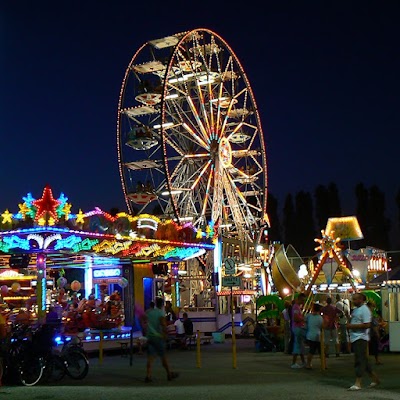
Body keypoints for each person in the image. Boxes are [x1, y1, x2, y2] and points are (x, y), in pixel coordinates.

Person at [346, 293, 380, 391]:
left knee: (359, 360)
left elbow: (367, 324)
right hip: (355, 337)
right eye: (353, 299)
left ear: (361, 300)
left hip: (360, 338)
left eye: (356, 299)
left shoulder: (365, 310)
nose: (354, 301)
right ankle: (375, 379)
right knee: (364, 360)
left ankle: (358, 382)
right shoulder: (356, 310)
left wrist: (351, 326)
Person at [142, 297, 178, 383]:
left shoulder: (148, 312)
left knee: (150, 358)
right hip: (158, 337)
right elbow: (163, 325)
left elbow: (144, 322)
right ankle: (169, 374)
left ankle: (148, 375)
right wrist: (165, 334)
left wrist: (145, 333)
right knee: (163, 356)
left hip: (150, 336)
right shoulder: (160, 313)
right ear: (162, 304)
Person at [305, 302, 323, 369]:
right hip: (317, 336)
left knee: (311, 351)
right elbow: (322, 326)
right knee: (320, 351)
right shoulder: (320, 318)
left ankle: (308, 364)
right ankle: (323, 364)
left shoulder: (309, 316)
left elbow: (304, 321)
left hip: (309, 335)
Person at [291, 293, 306, 369]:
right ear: (299, 299)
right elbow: (296, 318)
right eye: (303, 300)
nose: (303, 302)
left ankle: (303, 362)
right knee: (297, 345)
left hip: (298, 327)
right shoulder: (296, 307)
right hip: (297, 328)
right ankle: (294, 363)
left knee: (300, 345)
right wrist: (303, 319)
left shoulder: (297, 307)